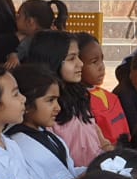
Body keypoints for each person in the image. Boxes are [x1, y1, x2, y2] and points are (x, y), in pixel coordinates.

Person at [24, 30, 106, 167]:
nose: (80, 63)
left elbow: (91, 130)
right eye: (71, 58)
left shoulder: (79, 94)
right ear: (53, 60)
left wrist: (105, 145)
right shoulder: (44, 107)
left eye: (78, 56)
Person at [7, 63, 77, 179]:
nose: (58, 108)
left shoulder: (50, 136)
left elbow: (69, 172)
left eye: (57, 100)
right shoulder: (15, 145)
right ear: (26, 103)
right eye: (50, 100)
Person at [79, 33, 127, 147]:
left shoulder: (110, 97)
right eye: (94, 62)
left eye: (102, 59)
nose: (102, 66)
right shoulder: (79, 102)